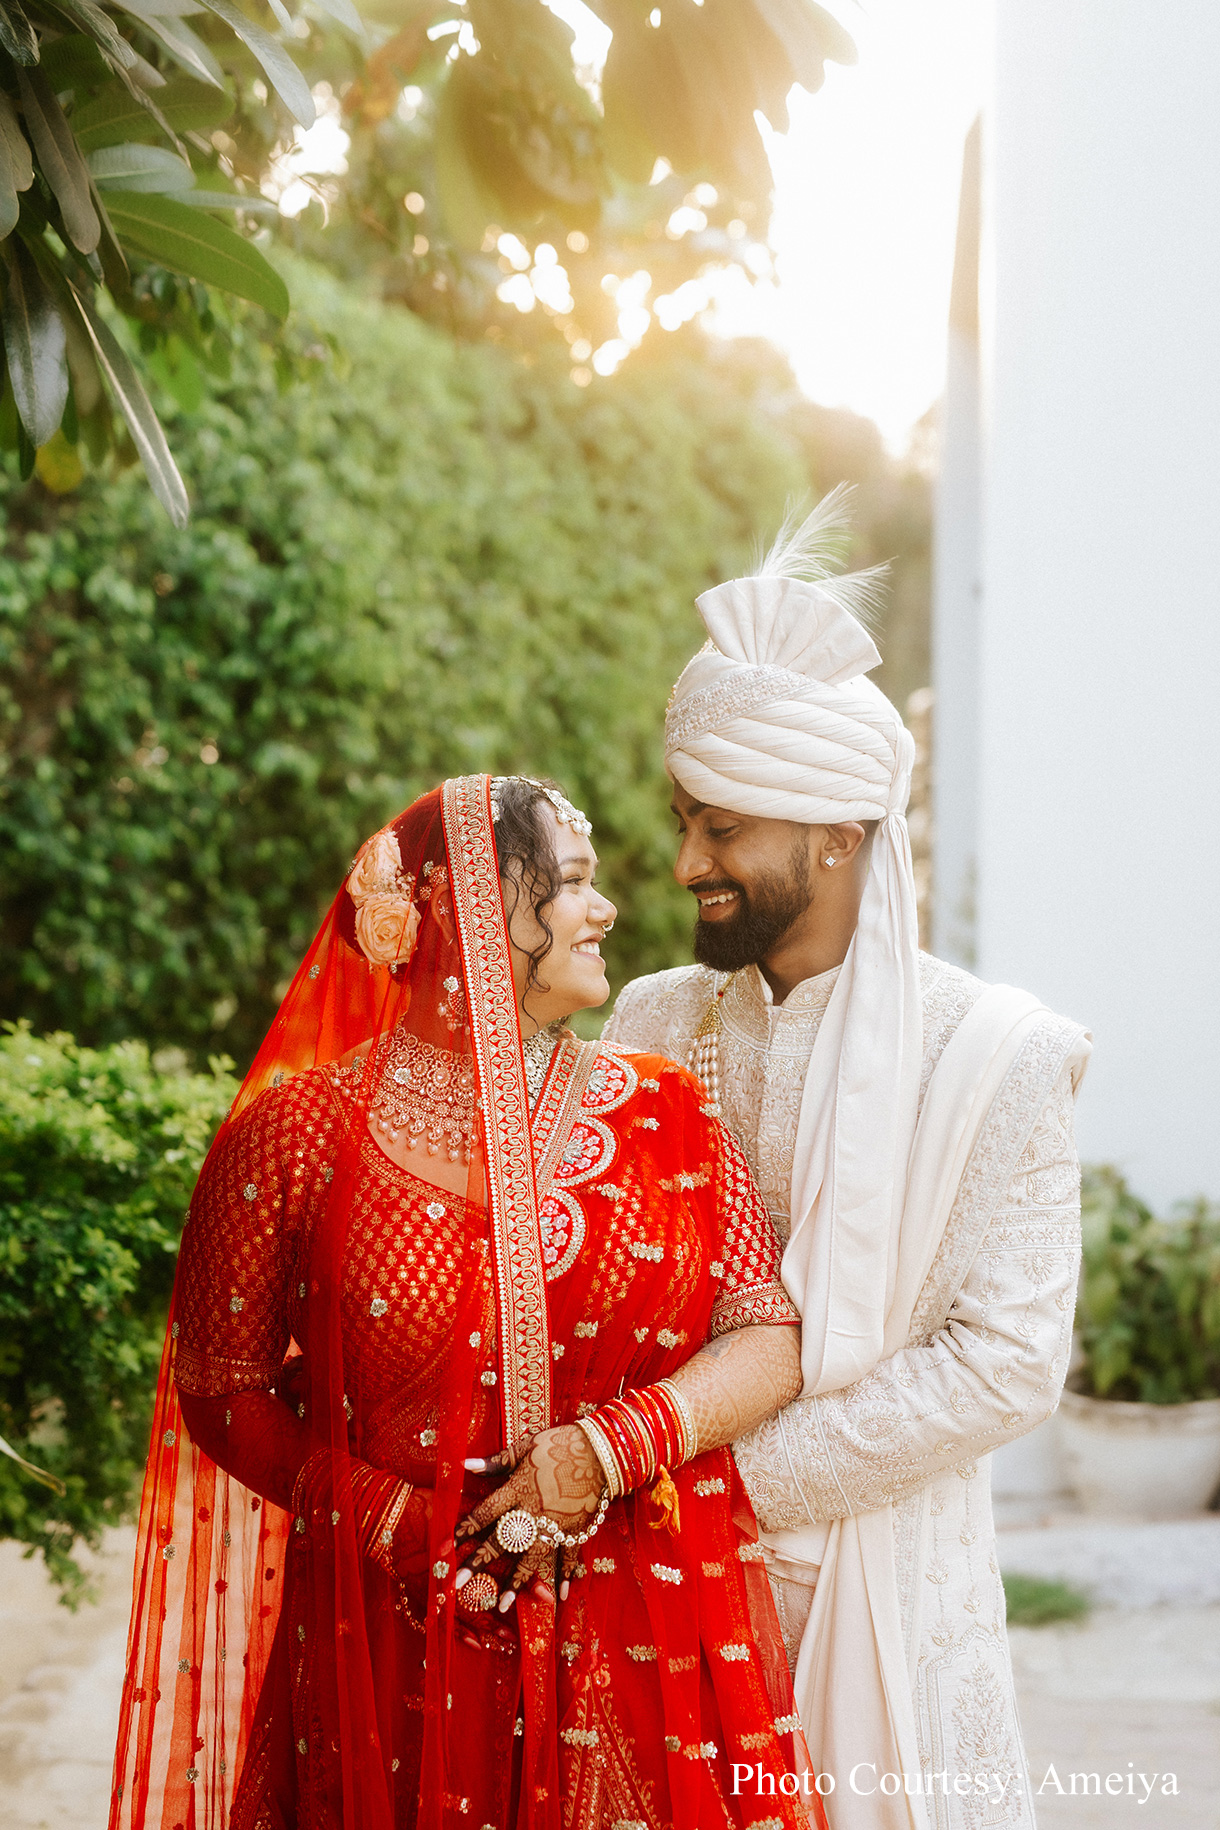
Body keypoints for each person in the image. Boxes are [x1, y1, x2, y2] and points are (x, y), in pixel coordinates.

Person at [109, 773, 824, 1830]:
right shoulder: (293, 1135)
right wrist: (393, 1521)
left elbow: (766, 1334)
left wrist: (608, 1449)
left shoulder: (665, 1113)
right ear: (470, 910)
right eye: (573, 883)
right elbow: (221, 1390)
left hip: (639, 1628)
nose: (607, 908)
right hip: (389, 1633)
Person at [603, 491, 1092, 1830]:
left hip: (880, 1600)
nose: (690, 859)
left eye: (725, 828)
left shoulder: (996, 1054)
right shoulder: (651, 1020)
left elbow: (1008, 1358)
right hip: (649, 1594)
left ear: (836, 833)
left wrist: (720, 1486)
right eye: (687, 818)